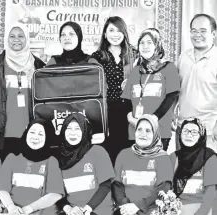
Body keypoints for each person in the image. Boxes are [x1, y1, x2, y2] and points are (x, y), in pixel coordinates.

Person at [0, 23, 45, 161]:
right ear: (6, 39)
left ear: (27, 38)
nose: (16, 39)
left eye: (21, 36)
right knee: (4, 170)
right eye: (12, 36)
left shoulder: (38, 65)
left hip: (30, 130)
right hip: (2, 130)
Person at [121, 28, 180, 151]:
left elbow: (171, 97)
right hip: (135, 130)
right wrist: (130, 118)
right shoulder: (135, 70)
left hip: (159, 130)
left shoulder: (168, 67)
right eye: (142, 43)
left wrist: (154, 118)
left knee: (154, 167)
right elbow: (127, 99)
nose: (145, 46)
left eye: (149, 42)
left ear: (157, 45)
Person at [91, 16, 137, 165]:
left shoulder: (134, 54)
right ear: (104, 33)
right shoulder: (97, 57)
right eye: (111, 30)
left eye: (119, 30)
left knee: (128, 150)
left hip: (130, 110)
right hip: (106, 111)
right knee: (109, 150)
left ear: (124, 33)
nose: (115, 34)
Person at [0, 119, 64, 215]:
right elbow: (2, 188)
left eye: (40, 134)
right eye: (32, 132)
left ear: (47, 137)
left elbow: (55, 194)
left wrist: (30, 208)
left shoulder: (51, 161)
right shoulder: (12, 158)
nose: (35, 137)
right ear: (26, 133)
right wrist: (11, 207)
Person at [112, 114, 173, 215]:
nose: (142, 134)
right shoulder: (123, 154)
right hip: (125, 210)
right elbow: (117, 184)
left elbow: (164, 188)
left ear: (155, 134)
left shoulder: (163, 157)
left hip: (151, 210)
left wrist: (138, 207)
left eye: (148, 131)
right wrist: (125, 206)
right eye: (139, 129)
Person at [56, 113, 114, 215]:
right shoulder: (58, 158)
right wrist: (68, 209)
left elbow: (105, 185)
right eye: (69, 128)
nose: (73, 133)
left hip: (97, 210)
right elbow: (57, 192)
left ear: (84, 130)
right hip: (73, 211)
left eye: (77, 128)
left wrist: (88, 208)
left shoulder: (98, 151)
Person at [175, 14, 217, 153]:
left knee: (208, 172)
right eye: (194, 30)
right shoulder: (183, 56)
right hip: (183, 128)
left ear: (214, 33)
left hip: (209, 131)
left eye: (203, 31)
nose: (197, 35)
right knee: (182, 172)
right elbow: (176, 90)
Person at [171, 118, 217, 215]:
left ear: (201, 136)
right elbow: (166, 188)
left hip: (201, 208)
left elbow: (210, 193)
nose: (189, 135)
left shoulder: (209, 157)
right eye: (185, 131)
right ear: (180, 134)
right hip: (176, 208)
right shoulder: (174, 157)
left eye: (194, 132)